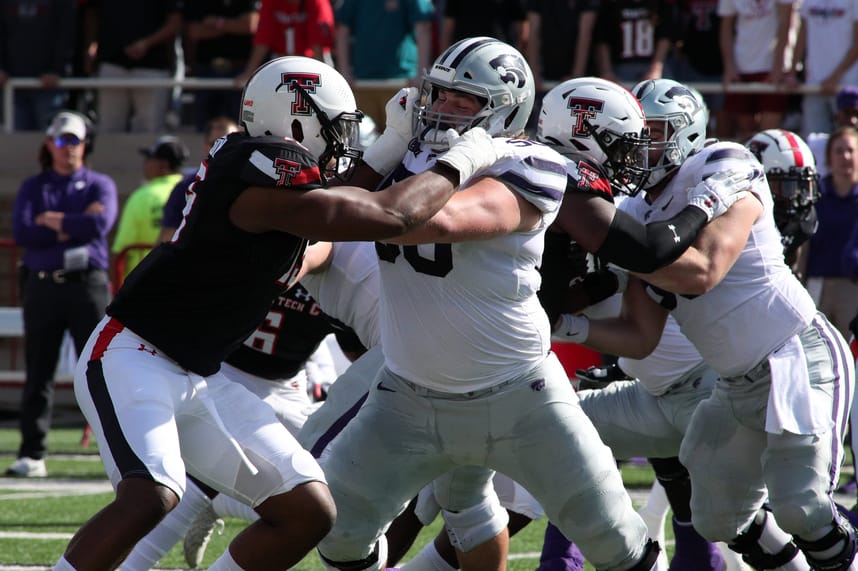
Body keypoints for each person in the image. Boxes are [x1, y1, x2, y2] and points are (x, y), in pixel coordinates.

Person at [55, 54, 508, 571]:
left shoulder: (264, 172)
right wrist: (462, 160)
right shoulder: (259, 163)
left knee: (306, 511)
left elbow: (334, 204)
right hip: (132, 353)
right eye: (338, 129)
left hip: (198, 373)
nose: (343, 143)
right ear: (295, 117)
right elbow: (388, 214)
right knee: (150, 495)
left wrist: (387, 148)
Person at [313, 38, 697, 571]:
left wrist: (421, 164)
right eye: (439, 94)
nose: (440, 110)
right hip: (405, 394)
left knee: (618, 543)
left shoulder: (532, 162)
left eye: (462, 101)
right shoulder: (408, 160)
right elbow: (318, 219)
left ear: (503, 108)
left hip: (521, 396)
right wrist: (386, 149)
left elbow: (428, 219)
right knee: (338, 534)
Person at [555, 80, 857, 570]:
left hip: (795, 354)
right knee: (715, 518)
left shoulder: (724, 165)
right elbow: (640, 335)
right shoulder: (640, 208)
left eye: (650, 133)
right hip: (735, 384)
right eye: (633, 135)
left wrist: (613, 247)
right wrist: (564, 324)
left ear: (685, 132)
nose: (638, 147)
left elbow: (702, 271)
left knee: (801, 506)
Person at [119, 281, 365, 571]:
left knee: (339, 496)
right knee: (185, 488)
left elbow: (360, 353)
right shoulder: (265, 255)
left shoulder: (340, 274)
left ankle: (220, 503)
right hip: (223, 374)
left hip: (286, 387)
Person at [7, 111, 117, 478]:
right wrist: (74, 223)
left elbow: (100, 224)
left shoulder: (101, 184)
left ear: (86, 145)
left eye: (74, 140)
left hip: (87, 285)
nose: (67, 148)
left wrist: (50, 220)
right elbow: (24, 232)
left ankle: (116, 451)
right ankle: (32, 452)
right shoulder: (33, 187)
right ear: (48, 144)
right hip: (42, 286)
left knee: (98, 370)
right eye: (60, 140)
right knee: (39, 371)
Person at [82, 0, 183, 132]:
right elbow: (91, 14)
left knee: (150, 129)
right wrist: (90, 46)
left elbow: (175, 22)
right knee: (108, 128)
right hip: (111, 62)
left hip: (152, 67)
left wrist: (146, 44)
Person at [333, 0, 434, 129]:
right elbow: (342, 29)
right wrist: (344, 71)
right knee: (366, 141)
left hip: (401, 83)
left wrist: (421, 73)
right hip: (363, 83)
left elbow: (423, 26)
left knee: (401, 142)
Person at [801, 125, 858, 340]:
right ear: (828, 157)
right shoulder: (815, 196)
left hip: (853, 288)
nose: (845, 156)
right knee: (817, 346)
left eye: (851, 150)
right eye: (839, 151)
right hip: (818, 284)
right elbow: (805, 245)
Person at [111, 135, 190, 282]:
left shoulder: (141, 196)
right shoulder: (192, 192)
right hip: (183, 281)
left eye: (149, 159)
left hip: (141, 285)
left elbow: (121, 249)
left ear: (163, 165)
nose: (146, 164)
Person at [717, 0, 798, 141]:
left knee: (768, 135)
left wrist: (778, 67)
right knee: (745, 133)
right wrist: (729, 67)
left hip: (772, 70)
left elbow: (786, 22)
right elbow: (726, 27)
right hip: (741, 68)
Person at [159, 116, 240, 243]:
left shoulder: (253, 184)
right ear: (206, 147)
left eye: (232, 144)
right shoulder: (186, 186)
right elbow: (167, 238)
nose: (225, 149)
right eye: (217, 143)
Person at [182, 0, 259, 132]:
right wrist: (233, 24)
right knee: (205, 129)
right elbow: (194, 31)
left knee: (241, 128)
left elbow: (250, 25)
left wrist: (215, 23)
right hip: (206, 71)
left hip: (239, 72)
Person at [0, 0, 77, 131]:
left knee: (50, 141)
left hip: (49, 86)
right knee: (17, 144)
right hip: (13, 86)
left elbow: (66, 34)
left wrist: (56, 70)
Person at [236, 0, 333, 85]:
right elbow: (263, 37)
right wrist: (250, 72)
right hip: (281, 61)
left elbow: (317, 44)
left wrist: (322, 75)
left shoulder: (317, 2)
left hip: (311, 61)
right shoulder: (271, 2)